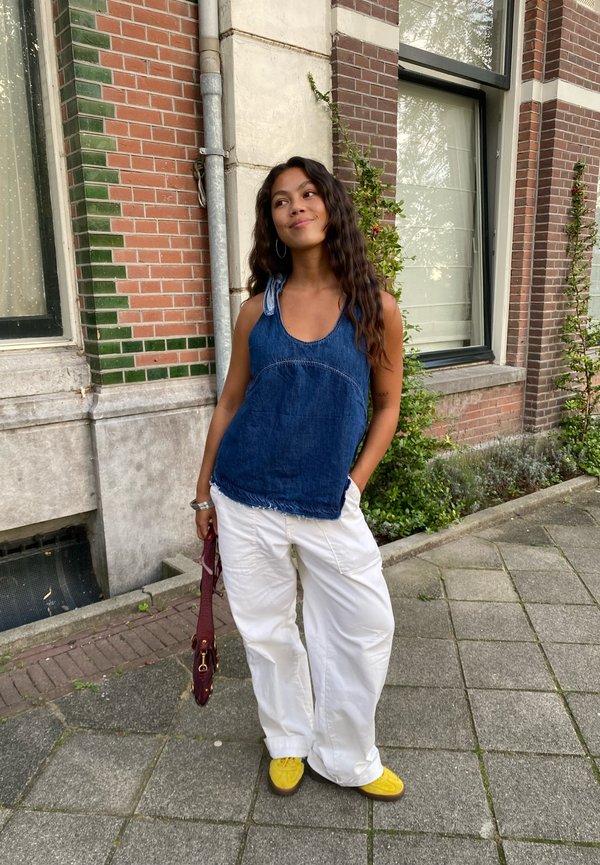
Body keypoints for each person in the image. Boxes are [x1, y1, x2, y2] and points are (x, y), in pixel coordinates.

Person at [192, 156, 404, 800]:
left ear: (330, 206)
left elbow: (388, 406)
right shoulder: (256, 311)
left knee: (364, 626)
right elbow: (230, 402)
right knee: (267, 629)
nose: (295, 207)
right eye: (281, 200)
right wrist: (202, 493)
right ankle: (288, 740)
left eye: (308, 193)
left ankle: (347, 757)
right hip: (245, 495)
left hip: (327, 501)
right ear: (272, 221)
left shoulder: (375, 307)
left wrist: (355, 483)